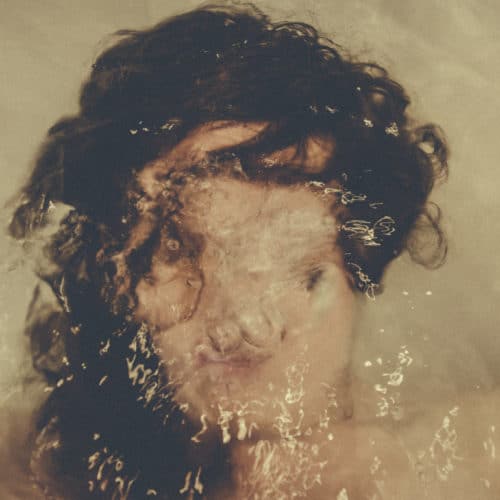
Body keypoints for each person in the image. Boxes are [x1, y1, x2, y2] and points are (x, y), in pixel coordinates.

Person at [8, 3, 461, 499]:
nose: (238, 322)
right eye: (180, 247)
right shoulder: (31, 469)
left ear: (361, 263)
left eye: (285, 257)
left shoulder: (465, 463)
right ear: (116, 269)